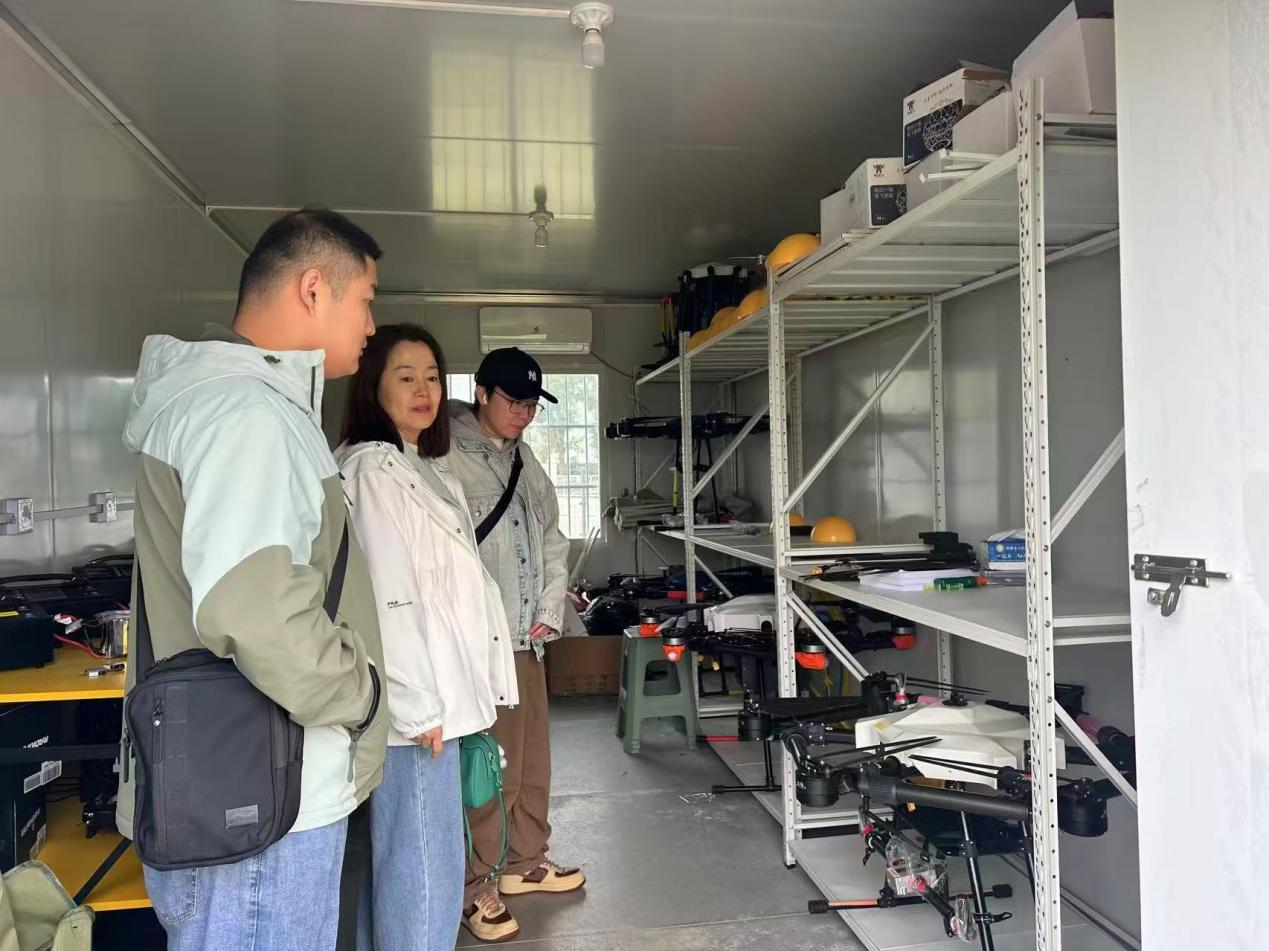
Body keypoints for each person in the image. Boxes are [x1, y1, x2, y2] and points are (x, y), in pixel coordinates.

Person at [119, 208, 388, 950]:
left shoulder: (221, 402)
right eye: (365, 299)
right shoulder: (247, 414)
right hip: (262, 801)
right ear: (313, 288)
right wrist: (362, 695)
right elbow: (258, 612)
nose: (371, 324)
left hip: (229, 781)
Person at [335, 324, 519, 949]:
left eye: (433, 378)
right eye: (406, 377)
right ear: (373, 388)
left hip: (437, 702)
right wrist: (416, 706)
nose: (424, 391)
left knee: (411, 865)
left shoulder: (421, 465)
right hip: (416, 713)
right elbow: (388, 601)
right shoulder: (373, 470)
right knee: (423, 872)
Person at [448, 347, 584, 942]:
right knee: (488, 766)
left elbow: (553, 538)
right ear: (482, 394)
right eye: (514, 401)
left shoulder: (526, 461)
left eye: (532, 404)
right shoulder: (444, 459)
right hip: (481, 644)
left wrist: (550, 610)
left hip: (529, 640)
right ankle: (474, 884)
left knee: (531, 762)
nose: (524, 414)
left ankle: (525, 861)